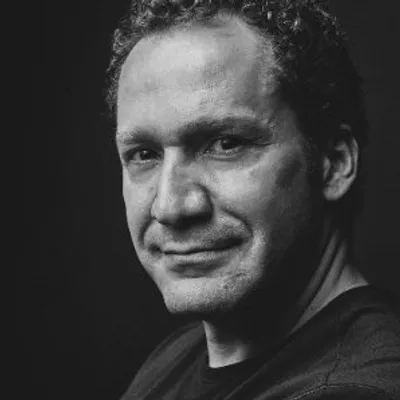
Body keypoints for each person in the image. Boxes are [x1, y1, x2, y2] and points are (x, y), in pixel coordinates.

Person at [107, 0, 400, 398]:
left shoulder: (355, 390)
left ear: (333, 163)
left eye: (225, 144)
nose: (170, 206)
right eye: (144, 154)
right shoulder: (179, 355)